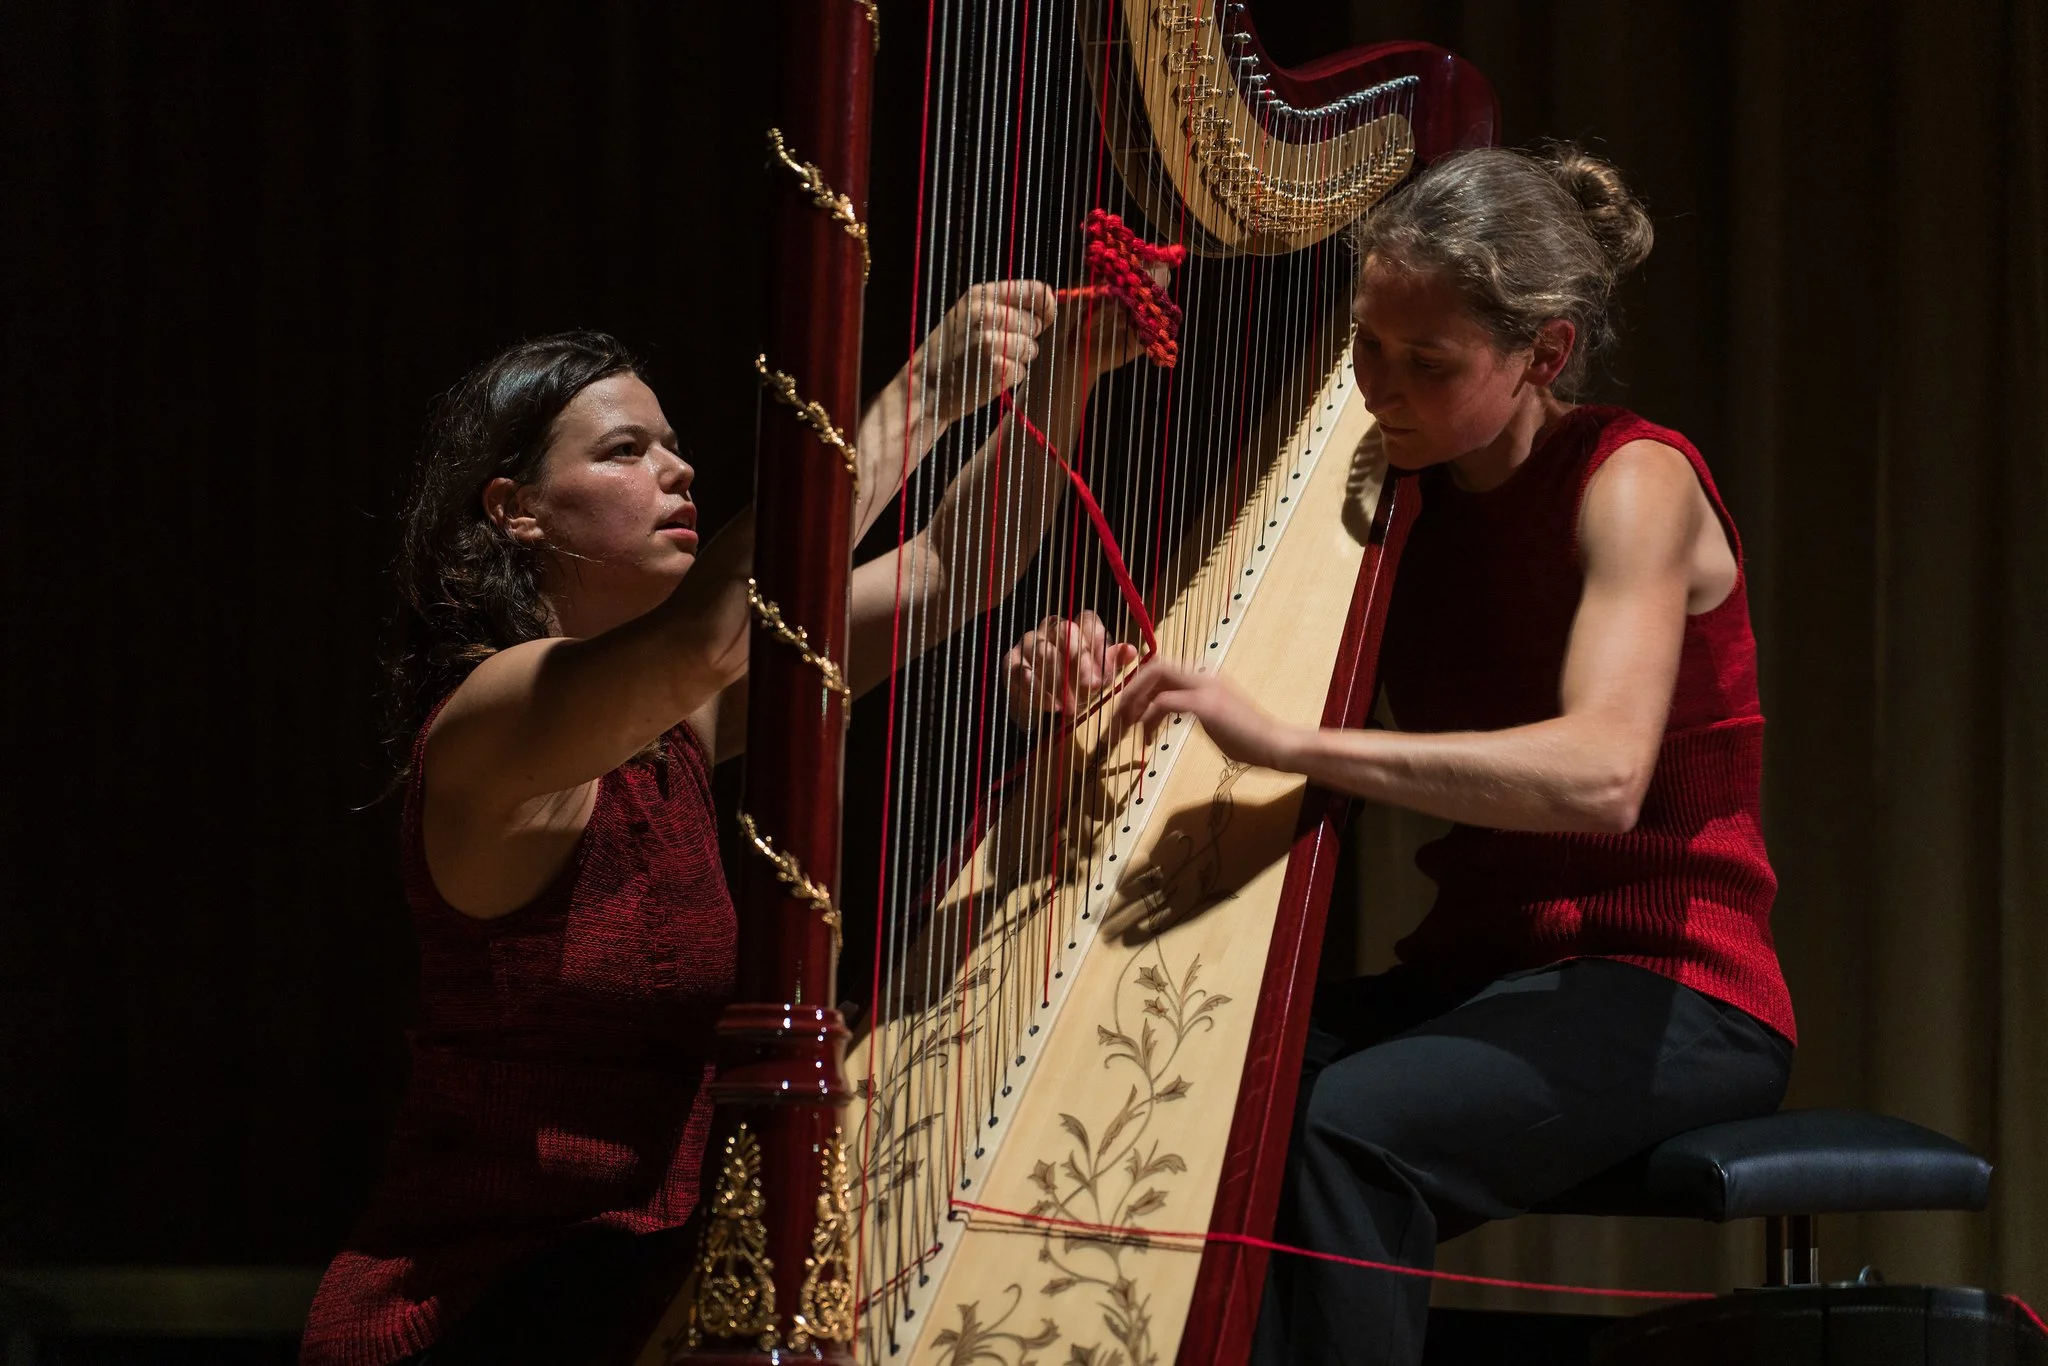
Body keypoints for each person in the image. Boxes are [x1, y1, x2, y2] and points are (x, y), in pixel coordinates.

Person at [1007, 146, 1796, 1366]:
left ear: (1542, 354)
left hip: (1666, 987)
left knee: (1333, 1130)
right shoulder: (1387, 494)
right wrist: (1099, 693)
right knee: (1195, 1088)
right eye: (1368, 346)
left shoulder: (1631, 480)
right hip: (1478, 975)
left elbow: (1599, 773)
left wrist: (1288, 737)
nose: (1380, 386)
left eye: (1427, 364)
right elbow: (1224, 715)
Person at [301, 281, 1152, 1366]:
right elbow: (707, 633)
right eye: (623, 452)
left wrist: (1065, 380)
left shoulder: (677, 718)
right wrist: (917, 401)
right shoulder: (491, 721)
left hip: (647, 1299)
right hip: (483, 1313)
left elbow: (947, 572)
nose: (677, 470)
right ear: (512, 508)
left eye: (672, 446)